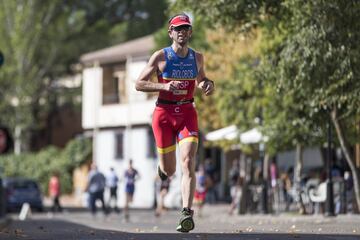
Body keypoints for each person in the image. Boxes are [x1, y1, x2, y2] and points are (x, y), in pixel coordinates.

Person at [135, 12, 215, 232]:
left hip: (188, 113)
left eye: (185, 28)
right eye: (178, 28)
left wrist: (207, 85)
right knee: (170, 171)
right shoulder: (160, 57)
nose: (182, 32)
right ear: (171, 32)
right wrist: (164, 86)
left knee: (188, 162)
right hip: (163, 114)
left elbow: (201, 81)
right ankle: (163, 170)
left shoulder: (197, 58)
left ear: (190, 32)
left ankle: (186, 214)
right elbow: (139, 84)